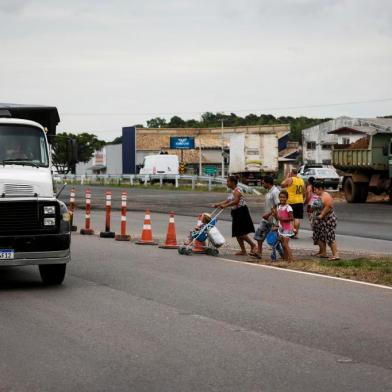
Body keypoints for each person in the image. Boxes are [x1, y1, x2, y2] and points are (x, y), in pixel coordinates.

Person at [214, 175, 257, 256]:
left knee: (241, 232)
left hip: (241, 212)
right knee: (237, 232)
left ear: (233, 182)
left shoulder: (238, 190)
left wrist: (225, 206)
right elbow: (227, 200)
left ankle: (253, 245)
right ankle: (243, 251)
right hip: (236, 212)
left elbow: (236, 201)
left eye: (228, 181)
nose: (227, 183)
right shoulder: (233, 191)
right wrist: (218, 204)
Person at [254, 175, 280, 258]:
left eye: (263, 183)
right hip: (266, 219)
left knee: (275, 239)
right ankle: (259, 252)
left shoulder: (275, 192)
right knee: (259, 234)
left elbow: (278, 205)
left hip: (273, 219)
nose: (262, 184)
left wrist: (268, 214)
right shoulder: (269, 191)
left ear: (268, 183)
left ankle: (282, 253)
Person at [312, 181, 339, 260]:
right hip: (321, 220)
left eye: (315, 189)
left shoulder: (326, 195)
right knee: (320, 236)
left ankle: (336, 255)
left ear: (320, 188)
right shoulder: (320, 195)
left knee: (329, 236)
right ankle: (323, 252)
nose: (314, 191)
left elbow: (329, 206)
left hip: (328, 219)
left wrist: (322, 215)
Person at [281, 168, 305, 239]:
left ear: (291, 173)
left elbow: (282, 185)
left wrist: (287, 177)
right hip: (299, 201)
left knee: (290, 218)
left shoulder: (290, 179)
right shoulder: (301, 180)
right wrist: (302, 199)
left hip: (291, 201)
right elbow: (304, 192)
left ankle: (290, 232)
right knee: (297, 218)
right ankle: (296, 233)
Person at [272, 190, 294, 262]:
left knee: (285, 244)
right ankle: (285, 258)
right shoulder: (279, 207)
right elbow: (278, 218)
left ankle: (291, 259)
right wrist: (275, 214)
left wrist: (283, 219)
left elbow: (291, 218)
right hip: (281, 228)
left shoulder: (288, 207)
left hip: (287, 229)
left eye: (284, 197)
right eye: (280, 197)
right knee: (283, 244)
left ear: (287, 198)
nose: (282, 199)